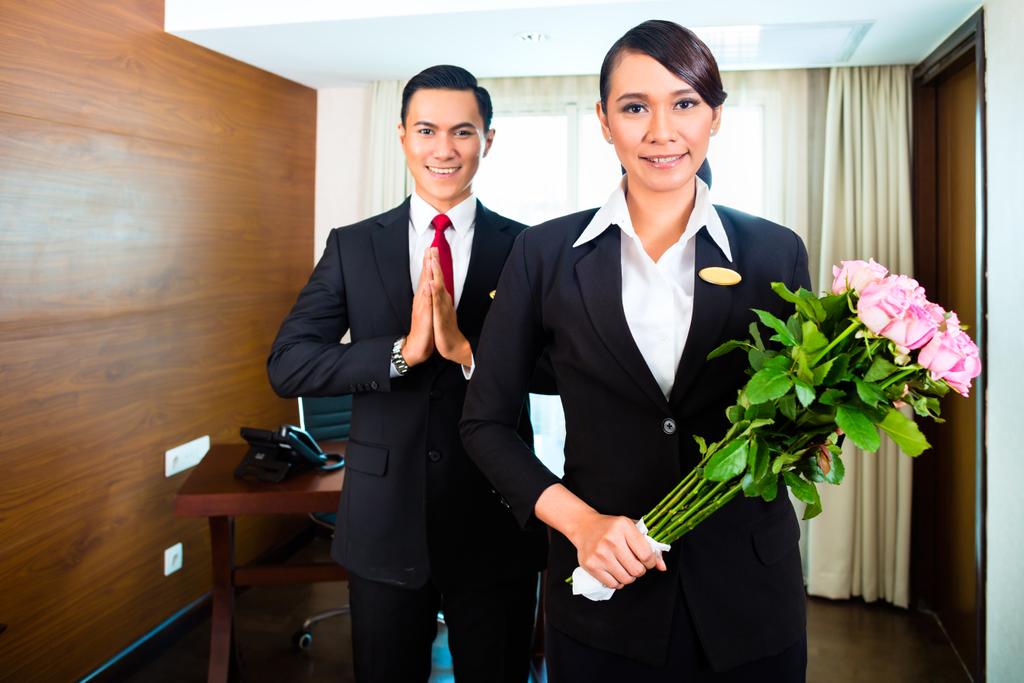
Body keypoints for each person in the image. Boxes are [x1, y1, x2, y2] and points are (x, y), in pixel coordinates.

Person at [461, 20, 810, 682]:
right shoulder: (544, 253)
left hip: (749, 592)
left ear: (715, 116)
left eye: (684, 103)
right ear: (603, 120)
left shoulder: (774, 251)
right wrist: (581, 523)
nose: (660, 130)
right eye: (634, 107)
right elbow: (485, 422)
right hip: (602, 589)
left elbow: (794, 411)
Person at [267, 65, 546, 683]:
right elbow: (288, 364)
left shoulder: (531, 248)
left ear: (488, 140)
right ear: (401, 137)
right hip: (383, 520)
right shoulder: (352, 245)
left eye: (462, 132)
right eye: (426, 130)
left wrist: (467, 350)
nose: (443, 149)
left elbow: (560, 369)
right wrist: (401, 353)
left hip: (496, 517)